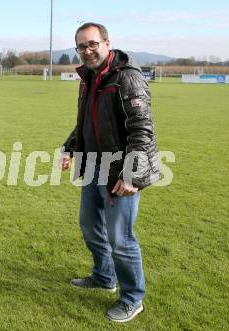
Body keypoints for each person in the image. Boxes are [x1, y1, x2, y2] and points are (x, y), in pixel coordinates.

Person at [59, 22, 161, 322]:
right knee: (90, 227)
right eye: (81, 46)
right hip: (93, 167)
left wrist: (132, 175)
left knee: (121, 238)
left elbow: (141, 130)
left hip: (120, 173)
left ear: (106, 43)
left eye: (92, 44)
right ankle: (104, 277)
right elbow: (87, 122)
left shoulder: (127, 79)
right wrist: (70, 147)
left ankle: (132, 297)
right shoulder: (89, 77)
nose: (87, 50)